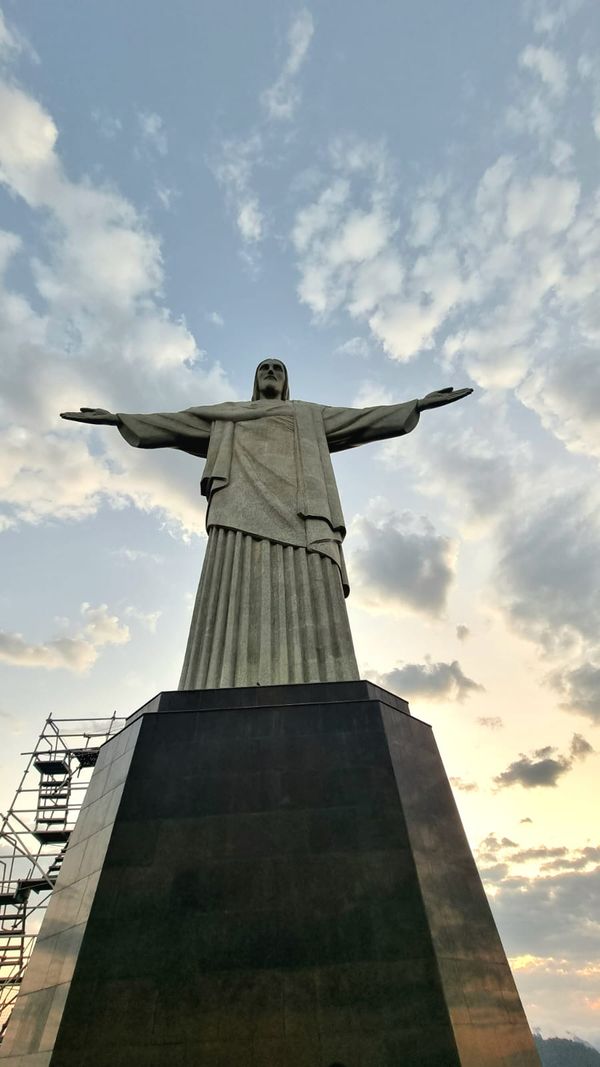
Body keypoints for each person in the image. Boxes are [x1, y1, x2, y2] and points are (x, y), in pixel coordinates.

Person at [61, 360, 472, 689]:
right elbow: (173, 423)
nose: (271, 373)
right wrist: (118, 419)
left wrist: (415, 405)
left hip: (302, 513)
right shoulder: (226, 416)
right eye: (264, 369)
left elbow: (363, 419)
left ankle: (321, 680)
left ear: (287, 382)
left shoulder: (309, 415)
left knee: (309, 586)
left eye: (278, 369)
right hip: (237, 507)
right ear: (255, 382)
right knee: (232, 587)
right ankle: (215, 683)